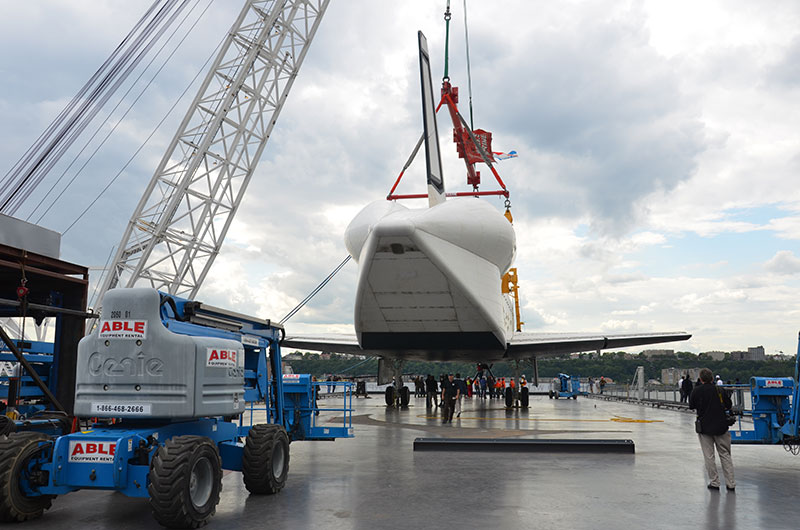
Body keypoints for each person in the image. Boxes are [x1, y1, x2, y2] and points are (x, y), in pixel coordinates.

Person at [689, 368, 735, 491]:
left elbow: (691, 406)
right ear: (712, 378)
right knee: (725, 454)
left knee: (709, 456)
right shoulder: (719, 390)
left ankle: (714, 482)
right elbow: (729, 405)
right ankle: (730, 483)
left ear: (701, 379)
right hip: (721, 425)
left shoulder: (697, 390)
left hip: (704, 427)